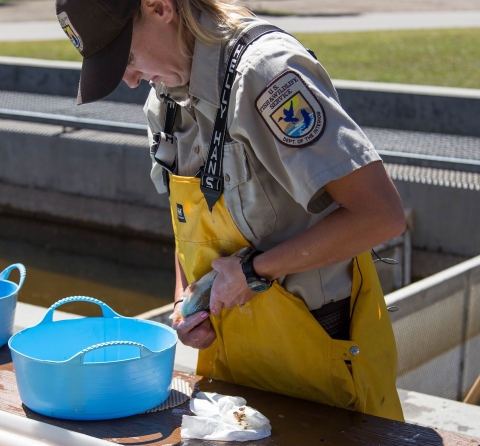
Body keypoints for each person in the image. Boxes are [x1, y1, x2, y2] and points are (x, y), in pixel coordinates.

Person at [56, 0, 405, 421]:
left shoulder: (265, 75)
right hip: (230, 349)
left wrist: (256, 271)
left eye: (126, 57)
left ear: (159, 7)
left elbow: (380, 216)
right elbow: (189, 217)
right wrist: (184, 300)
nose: (129, 80)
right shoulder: (163, 100)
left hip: (318, 349)